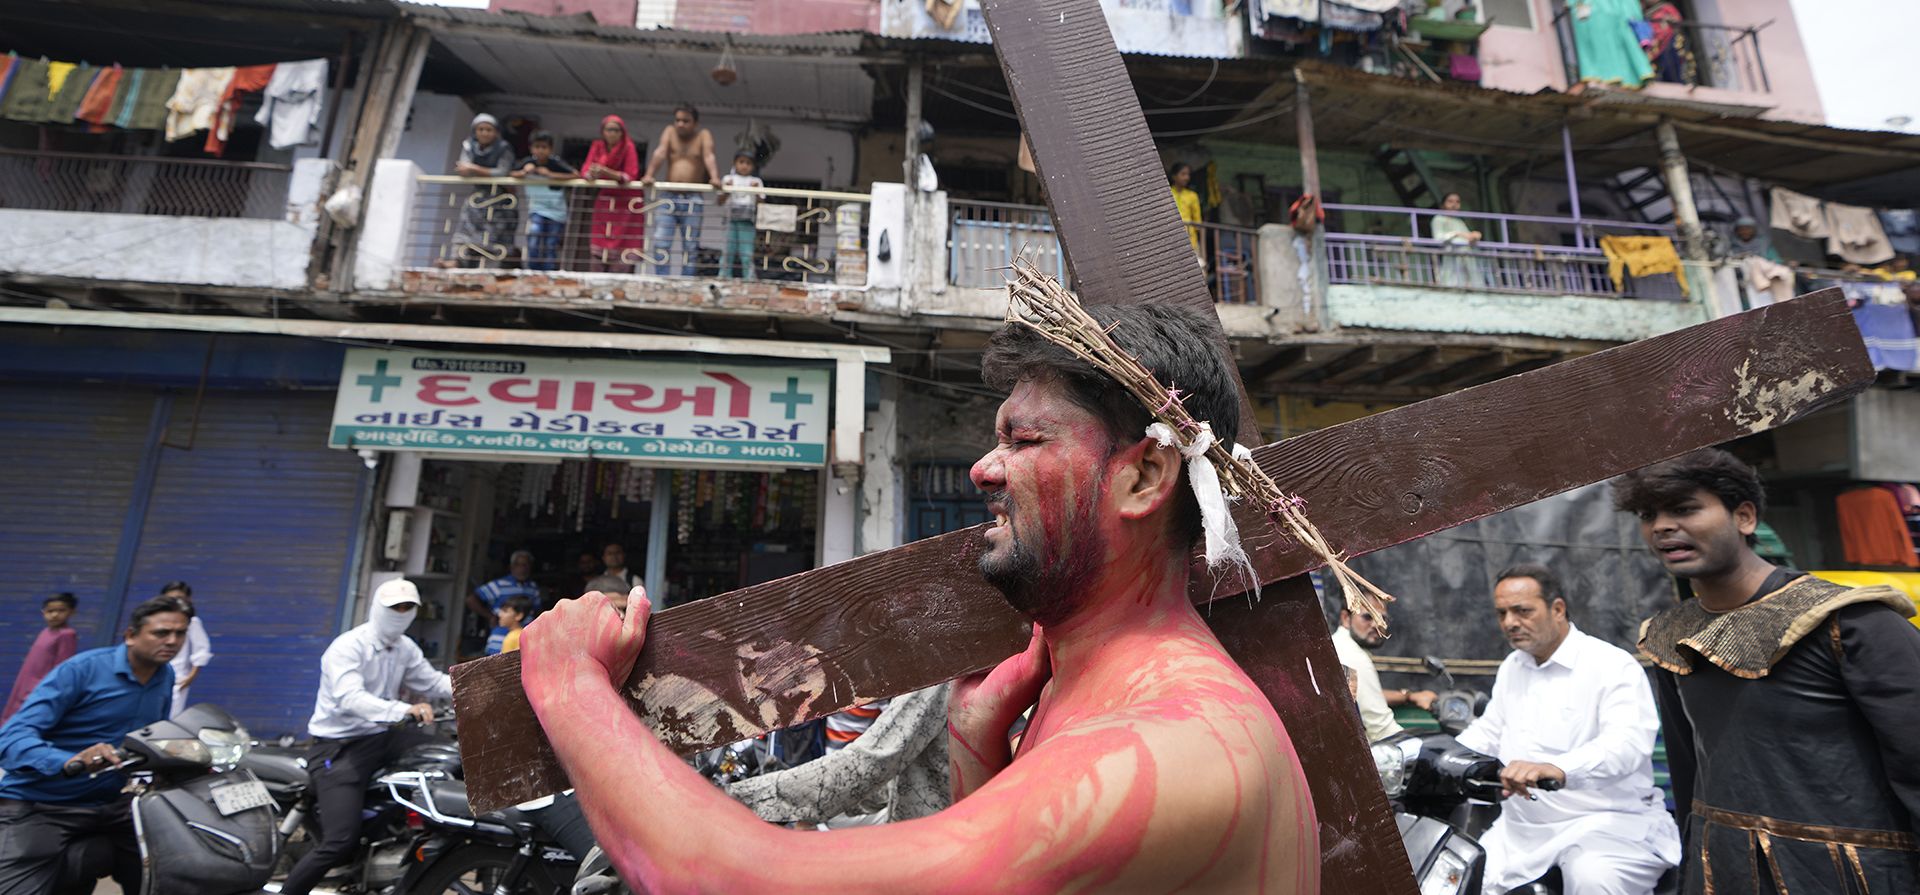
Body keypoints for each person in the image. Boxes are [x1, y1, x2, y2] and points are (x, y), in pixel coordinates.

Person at [516, 302, 1318, 891]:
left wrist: (569, 686)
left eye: (1023, 440)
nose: (983, 468)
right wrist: (975, 743)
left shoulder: (1174, 748)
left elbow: (734, 880)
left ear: (1143, 475)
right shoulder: (1097, 694)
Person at [1618, 449, 1920, 894]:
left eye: (1684, 509)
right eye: (1649, 514)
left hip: (1851, 874)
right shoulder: (1669, 635)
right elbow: (1689, 775)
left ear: (1744, 517)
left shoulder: (1849, 621)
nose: (1661, 526)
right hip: (1722, 869)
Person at [1454, 563, 1680, 894]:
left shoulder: (1612, 666)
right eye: (1502, 613)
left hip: (1605, 828)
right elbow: (1489, 731)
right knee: (1455, 876)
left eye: (1522, 611)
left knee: (1592, 878)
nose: (1509, 623)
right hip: (1519, 834)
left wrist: (1560, 768)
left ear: (1557, 609)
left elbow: (1626, 746)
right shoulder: (1513, 667)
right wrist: (1436, 756)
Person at [0, 596, 187, 895]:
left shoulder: (164, 675)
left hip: (109, 805)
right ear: (130, 635)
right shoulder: (81, 670)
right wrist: (69, 759)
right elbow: (11, 739)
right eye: (161, 633)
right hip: (42, 804)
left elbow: (149, 739)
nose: (172, 641)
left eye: (180, 634)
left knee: (177, 871)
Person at [280, 579, 453, 895]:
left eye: (407, 608)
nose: (401, 614)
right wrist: (403, 709)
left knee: (445, 756)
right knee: (339, 840)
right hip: (338, 746)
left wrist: (479, 688)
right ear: (378, 607)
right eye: (394, 608)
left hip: (382, 737)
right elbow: (351, 698)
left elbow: (433, 683)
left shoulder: (404, 647)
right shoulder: (348, 647)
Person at [1330, 605, 1434, 742]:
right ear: (1345, 618)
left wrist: (1408, 696)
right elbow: (1382, 730)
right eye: (1367, 617)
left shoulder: (1338, 643)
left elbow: (1363, 695)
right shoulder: (1354, 657)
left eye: (1381, 618)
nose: (1375, 624)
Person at [641, 103, 722, 277]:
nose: (680, 124)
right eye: (678, 120)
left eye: (686, 121)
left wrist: (715, 177)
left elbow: (709, 156)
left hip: (693, 198)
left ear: (695, 123)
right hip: (669, 197)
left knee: (690, 246)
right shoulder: (670, 132)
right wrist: (649, 174)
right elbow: (661, 152)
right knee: (661, 242)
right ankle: (662, 280)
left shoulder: (703, 135)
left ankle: (686, 282)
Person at [451, 113, 518, 269]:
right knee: (466, 229)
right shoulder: (469, 145)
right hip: (478, 197)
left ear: (496, 132)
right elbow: (462, 168)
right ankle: (457, 261)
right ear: (475, 131)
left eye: (489, 129)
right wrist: (481, 171)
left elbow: (501, 172)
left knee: (494, 235)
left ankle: (490, 267)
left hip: (499, 200)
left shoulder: (504, 148)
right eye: (480, 129)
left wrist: (474, 168)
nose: (484, 133)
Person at [1, 594, 78, 724]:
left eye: (61, 611)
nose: (54, 615)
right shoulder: (45, 632)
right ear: (43, 612)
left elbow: (62, 667)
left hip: (38, 689)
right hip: (24, 685)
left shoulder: (67, 635)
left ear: (71, 612)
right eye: (50, 611)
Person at [510, 130, 578, 272]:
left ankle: (549, 271)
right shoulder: (528, 163)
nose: (540, 150)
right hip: (537, 208)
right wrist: (524, 172)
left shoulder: (555, 162)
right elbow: (511, 173)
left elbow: (575, 175)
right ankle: (533, 269)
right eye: (537, 147)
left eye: (544, 147)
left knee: (550, 242)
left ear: (550, 149)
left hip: (557, 211)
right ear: (531, 148)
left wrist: (550, 174)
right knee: (534, 233)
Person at [584, 114, 644, 273]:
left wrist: (605, 172)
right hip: (606, 199)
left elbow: (630, 175)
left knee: (624, 242)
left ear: (622, 133)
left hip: (627, 201)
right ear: (603, 132)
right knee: (600, 239)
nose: (612, 133)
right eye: (609, 130)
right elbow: (585, 169)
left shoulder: (628, 147)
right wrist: (591, 174)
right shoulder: (597, 146)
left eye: (616, 130)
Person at [469, 549, 541, 657]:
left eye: (525, 565)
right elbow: (471, 599)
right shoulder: (499, 585)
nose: (522, 568)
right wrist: (490, 616)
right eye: (518, 564)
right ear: (511, 567)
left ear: (530, 567)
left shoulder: (533, 588)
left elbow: (537, 612)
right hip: (500, 638)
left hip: (524, 639)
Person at [158, 581, 212, 718]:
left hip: (176, 680)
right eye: (170, 598)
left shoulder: (191, 622)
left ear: (188, 600)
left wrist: (190, 677)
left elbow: (202, 650)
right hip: (152, 676)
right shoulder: (155, 620)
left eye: (179, 598)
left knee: (168, 719)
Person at [718, 151, 762, 280]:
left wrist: (757, 191)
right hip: (730, 220)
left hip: (747, 221)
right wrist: (727, 189)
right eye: (741, 162)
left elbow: (762, 202)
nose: (744, 166)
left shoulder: (756, 181)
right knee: (727, 250)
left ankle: (749, 278)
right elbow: (720, 201)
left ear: (753, 166)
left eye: (748, 163)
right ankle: (724, 276)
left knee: (747, 252)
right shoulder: (728, 179)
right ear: (735, 163)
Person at [1432, 192, 1484, 288]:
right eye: (1450, 201)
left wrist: (1474, 236)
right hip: (1452, 254)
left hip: (1466, 255)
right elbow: (1438, 238)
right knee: (1452, 281)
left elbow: (1468, 238)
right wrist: (1456, 234)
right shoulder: (1438, 219)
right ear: (1443, 204)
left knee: (1471, 279)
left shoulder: (1459, 222)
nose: (1454, 205)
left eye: (1457, 202)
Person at [1168, 161, 1203, 262]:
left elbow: (1197, 222)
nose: (1186, 178)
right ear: (1174, 176)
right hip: (1171, 237)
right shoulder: (1167, 193)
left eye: (1188, 175)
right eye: (1183, 174)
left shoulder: (1192, 196)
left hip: (1190, 239)